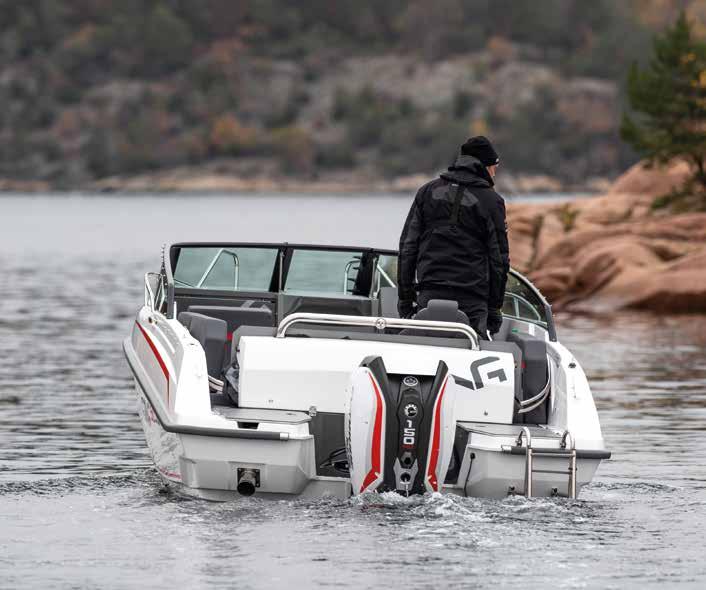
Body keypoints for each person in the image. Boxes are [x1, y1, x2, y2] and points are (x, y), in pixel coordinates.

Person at [397, 136, 510, 337]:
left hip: (429, 297)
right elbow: (499, 261)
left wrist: (405, 299)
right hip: (472, 302)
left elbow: (408, 248)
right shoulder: (492, 201)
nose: (494, 172)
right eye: (494, 166)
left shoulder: (426, 192)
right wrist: (494, 308)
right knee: (472, 353)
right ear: (485, 166)